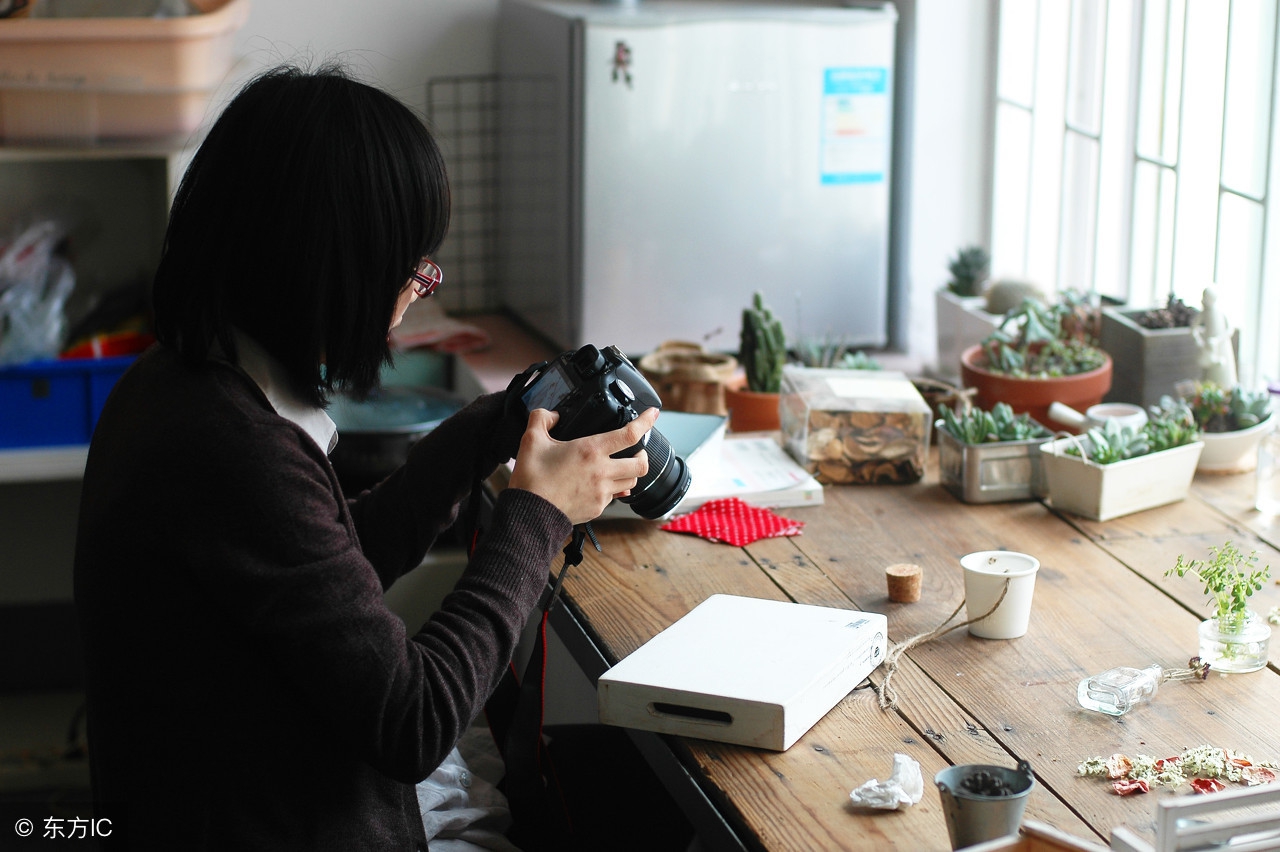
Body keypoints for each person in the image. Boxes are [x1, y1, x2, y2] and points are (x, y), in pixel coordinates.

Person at [72, 64, 653, 851]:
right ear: (327, 265)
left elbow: (323, 576)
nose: (418, 289)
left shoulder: (180, 381)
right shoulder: (232, 451)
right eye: (410, 267)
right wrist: (536, 517)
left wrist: (482, 432)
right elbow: (414, 721)